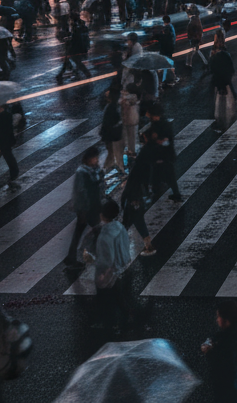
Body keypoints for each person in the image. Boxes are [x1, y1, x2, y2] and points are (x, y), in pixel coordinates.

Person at [87, 198, 132, 330]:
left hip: (108, 271)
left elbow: (106, 260)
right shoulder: (119, 226)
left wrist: (92, 260)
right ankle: (126, 316)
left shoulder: (104, 236)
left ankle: (109, 323)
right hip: (121, 267)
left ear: (102, 214)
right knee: (117, 294)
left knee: (104, 297)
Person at [201, 299, 237, 402]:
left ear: (226, 320)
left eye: (218, 317)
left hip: (228, 389)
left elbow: (217, 365)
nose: (217, 320)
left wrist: (209, 350)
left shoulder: (223, 342)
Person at [65, 146, 105, 266]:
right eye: (94, 158)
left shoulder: (96, 169)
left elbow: (100, 186)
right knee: (94, 231)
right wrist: (82, 210)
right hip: (86, 209)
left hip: (94, 206)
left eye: (97, 157)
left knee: (92, 231)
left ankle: (71, 258)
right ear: (88, 159)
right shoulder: (82, 172)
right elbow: (80, 192)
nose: (96, 160)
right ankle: (98, 256)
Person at [101, 87, 125, 177]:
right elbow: (113, 122)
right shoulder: (112, 108)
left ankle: (115, 170)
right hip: (111, 136)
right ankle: (104, 172)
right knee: (113, 154)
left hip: (109, 136)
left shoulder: (110, 107)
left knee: (112, 154)